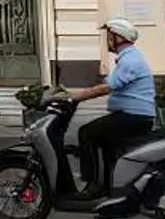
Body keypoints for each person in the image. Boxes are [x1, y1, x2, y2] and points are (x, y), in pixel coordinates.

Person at [59, 19, 157, 196]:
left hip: (133, 117)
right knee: (107, 146)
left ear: (118, 37)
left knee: (86, 133)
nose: (106, 40)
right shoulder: (127, 58)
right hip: (131, 115)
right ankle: (108, 188)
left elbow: (106, 87)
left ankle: (92, 186)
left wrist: (74, 99)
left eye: (109, 36)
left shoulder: (130, 60)